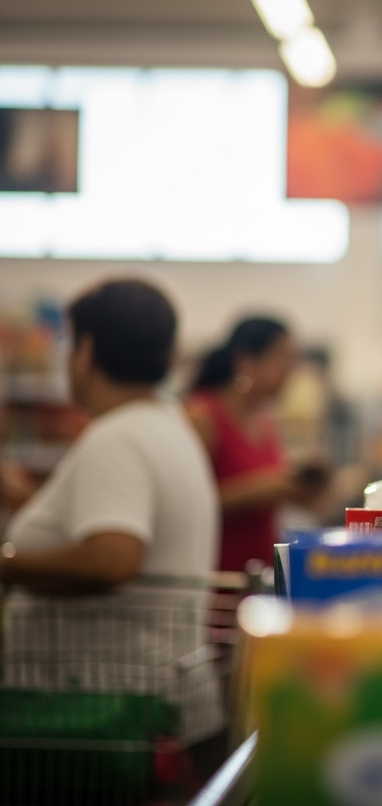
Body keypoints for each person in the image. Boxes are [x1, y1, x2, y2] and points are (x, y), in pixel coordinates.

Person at [0, 279, 223, 748]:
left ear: (87, 350)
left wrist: (7, 563)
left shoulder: (116, 438)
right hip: (151, 701)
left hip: (106, 713)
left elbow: (112, 559)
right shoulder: (166, 424)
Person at [187, 317, 326, 573]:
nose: (289, 371)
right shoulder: (203, 415)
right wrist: (267, 487)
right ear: (247, 360)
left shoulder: (264, 420)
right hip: (216, 574)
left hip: (258, 571)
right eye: (281, 357)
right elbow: (188, 502)